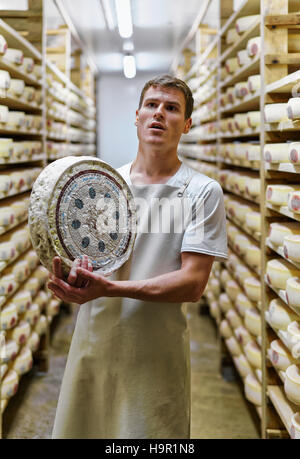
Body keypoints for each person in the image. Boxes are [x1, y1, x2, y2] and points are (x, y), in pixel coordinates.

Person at [48, 74, 228, 439]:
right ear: (137, 116)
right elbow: (84, 258)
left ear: (188, 124)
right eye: (152, 105)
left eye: (172, 108)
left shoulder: (201, 192)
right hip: (95, 339)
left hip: (154, 350)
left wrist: (110, 289)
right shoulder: (102, 184)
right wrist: (72, 278)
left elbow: (193, 284)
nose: (159, 114)